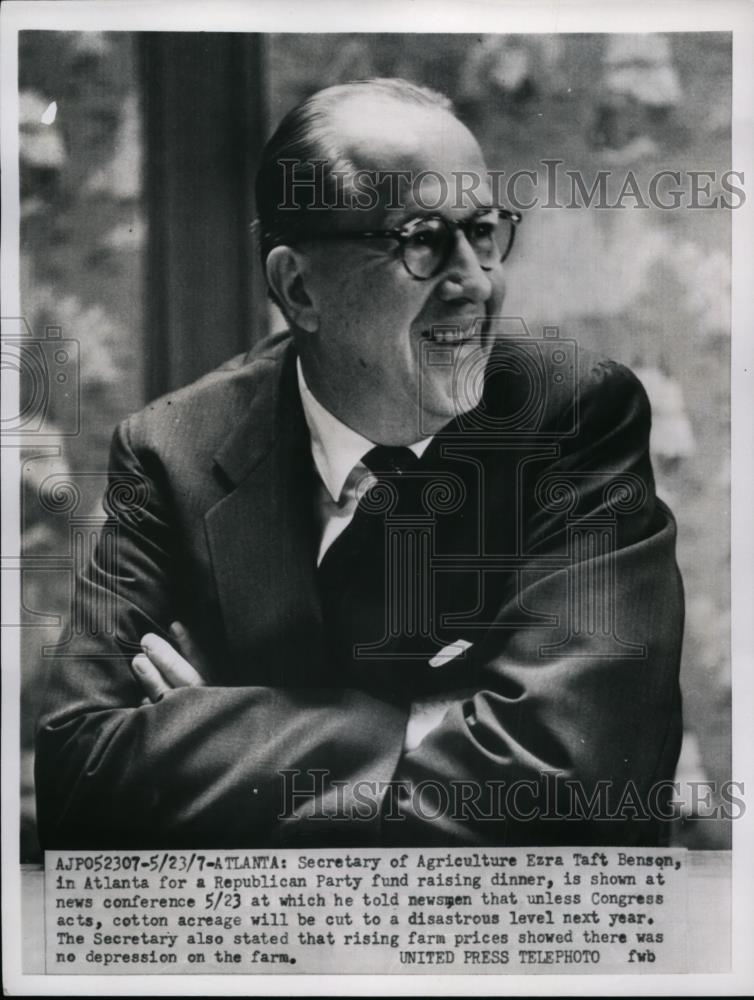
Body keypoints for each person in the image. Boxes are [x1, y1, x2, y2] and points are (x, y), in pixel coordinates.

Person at [35, 78, 684, 849]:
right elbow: (79, 777)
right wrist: (433, 725)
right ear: (298, 287)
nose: (474, 282)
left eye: (482, 231)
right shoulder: (170, 452)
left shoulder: (575, 417)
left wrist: (219, 729)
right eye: (420, 239)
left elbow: (575, 780)